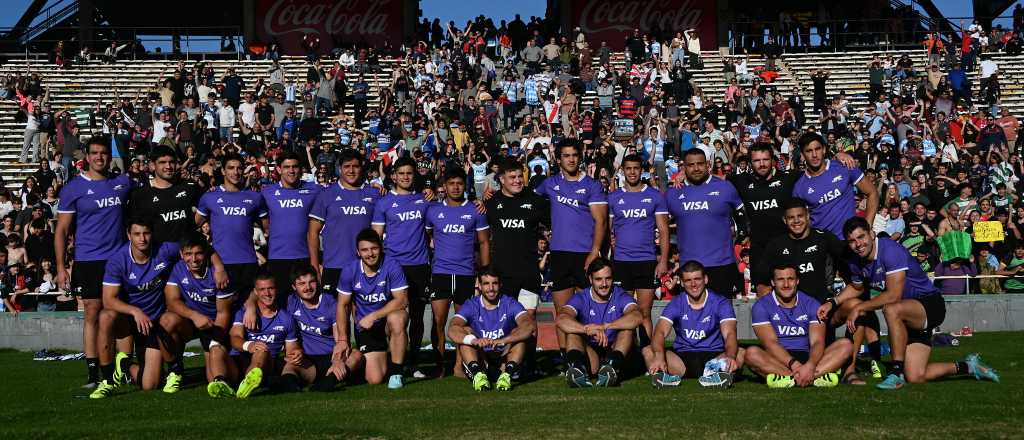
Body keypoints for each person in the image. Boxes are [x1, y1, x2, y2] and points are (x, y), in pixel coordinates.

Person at [818, 217, 1000, 390]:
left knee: (891, 309)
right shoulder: (856, 261)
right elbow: (856, 288)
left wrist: (859, 307)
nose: (858, 244)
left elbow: (893, 295)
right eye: (852, 241)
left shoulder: (890, 249)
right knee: (916, 375)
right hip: (906, 314)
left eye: (861, 237)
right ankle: (968, 367)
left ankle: (896, 373)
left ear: (872, 234)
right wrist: (832, 302)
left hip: (929, 304)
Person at [55, 136, 132, 388]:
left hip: (119, 259)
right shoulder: (73, 189)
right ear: (86, 157)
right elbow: (62, 231)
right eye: (95, 153)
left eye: (103, 153)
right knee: (92, 314)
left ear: (109, 157)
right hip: (88, 260)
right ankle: (93, 372)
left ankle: (123, 369)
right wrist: (61, 267)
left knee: (119, 314)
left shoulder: (123, 184)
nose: (99, 157)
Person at [89, 218, 184, 398]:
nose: (142, 239)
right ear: (128, 235)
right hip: (129, 322)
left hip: (155, 323)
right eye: (137, 234)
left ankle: (124, 366)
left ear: (152, 234)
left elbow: (197, 248)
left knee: (150, 385)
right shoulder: (118, 260)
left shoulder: (166, 250)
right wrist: (135, 311)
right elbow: (108, 300)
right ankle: (107, 381)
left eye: (146, 233)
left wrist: (218, 267)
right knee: (105, 316)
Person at [535, 142, 607, 354]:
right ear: (558, 159)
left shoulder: (592, 185)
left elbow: (601, 222)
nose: (571, 159)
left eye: (575, 155)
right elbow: (526, 200)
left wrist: (594, 252)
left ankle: (594, 354)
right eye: (566, 155)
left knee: (590, 310)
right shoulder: (549, 184)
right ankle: (568, 359)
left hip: (586, 254)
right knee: (562, 312)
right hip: (560, 254)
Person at [371, 157, 433, 376]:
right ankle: (394, 359)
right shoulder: (383, 203)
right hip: (393, 267)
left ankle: (413, 363)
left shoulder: (424, 200)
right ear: (393, 176)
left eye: (410, 173)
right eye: (402, 173)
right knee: (393, 318)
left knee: (416, 317)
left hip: (419, 266)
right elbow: (376, 236)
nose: (406, 177)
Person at [425, 167, 490, 375]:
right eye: (451, 183)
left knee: (462, 322)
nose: (455, 187)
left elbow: (483, 243)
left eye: (459, 183)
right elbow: (425, 239)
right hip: (441, 273)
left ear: (465, 186)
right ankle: (440, 365)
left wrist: (484, 273)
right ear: (444, 186)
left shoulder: (475, 210)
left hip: (466, 274)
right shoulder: (433, 210)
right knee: (439, 322)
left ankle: (459, 366)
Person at [745, 265, 852, 388]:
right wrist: (795, 365)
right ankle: (814, 378)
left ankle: (788, 379)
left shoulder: (812, 303)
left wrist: (810, 365)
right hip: (779, 359)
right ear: (773, 282)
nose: (786, 284)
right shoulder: (761, 306)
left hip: (809, 357)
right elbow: (770, 344)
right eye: (780, 279)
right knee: (751, 354)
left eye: (790, 279)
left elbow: (817, 342)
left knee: (846, 345)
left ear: (797, 281)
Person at [644, 261, 743, 388]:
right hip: (682, 358)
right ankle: (665, 377)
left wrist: (729, 356)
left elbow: (730, 334)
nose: (693, 284)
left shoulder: (720, 302)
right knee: (648, 351)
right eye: (688, 280)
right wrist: (659, 357)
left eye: (697, 279)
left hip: (714, 356)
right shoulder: (677, 302)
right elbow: (660, 332)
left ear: (705, 279)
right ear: (682, 282)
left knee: (740, 353)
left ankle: (718, 376)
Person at [163, 233, 236, 398]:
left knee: (213, 379)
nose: (194, 259)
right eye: (188, 254)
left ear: (206, 253)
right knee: (167, 320)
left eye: (198, 253)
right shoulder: (178, 268)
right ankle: (175, 371)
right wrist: (194, 316)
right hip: (193, 323)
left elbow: (224, 313)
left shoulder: (219, 275)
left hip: (216, 325)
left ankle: (231, 373)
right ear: (182, 254)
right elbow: (172, 302)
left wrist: (214, 343)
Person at [335, 228, 409, 388]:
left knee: (397, 318)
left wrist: (374, 316)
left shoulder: (392, 265)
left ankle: (397, 373)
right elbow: (342, 305)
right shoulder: (350, 270)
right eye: (365, 250)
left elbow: (402, 300)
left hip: (386, 322)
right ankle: (382, 358)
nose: (370, 254)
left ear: (381, 247)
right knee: (374, 379)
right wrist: (342, 339)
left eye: (374, 248)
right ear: (358, 252)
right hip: (367, 329)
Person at [608, 154, 670, 344]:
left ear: (641, 170)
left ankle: (647, 354)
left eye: (636, 168)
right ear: (622, 171)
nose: (632, 172)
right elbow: (606, 231)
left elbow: (664, 231)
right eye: (628, 168)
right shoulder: (613, 197)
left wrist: (663, 260)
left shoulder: (654, 196)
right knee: (624, 312)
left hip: (646, 261)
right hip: (621, 262)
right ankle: (626, 353)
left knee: (644, 312)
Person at [666, 148, 745, 298]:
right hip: (689, 267)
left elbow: (743, 218)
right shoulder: (673, 193)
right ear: (684, 168)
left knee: (723, 315)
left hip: (722, 265)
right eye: (691, 165)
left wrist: (738, 240)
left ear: (708, 165)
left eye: (700, 164)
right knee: (692, 316)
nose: (696, 168)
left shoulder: (725, 187)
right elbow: (661, 225)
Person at [447, 267, 536, 391]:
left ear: (500, 285)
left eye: (494, 283)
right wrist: (474, 341)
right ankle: (478, 375)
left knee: (518, 333)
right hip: (482, 358)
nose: (491, 288)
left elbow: (528, 326)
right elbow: (452, 328)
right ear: (479, 285)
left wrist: (504, 340)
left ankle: (506, 376)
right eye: (486, 284)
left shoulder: (510, 303)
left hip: (505, 357)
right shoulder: (471, 304)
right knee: (466, 331)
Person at [556, 257, 640, 388]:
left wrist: (606, 326)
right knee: (573, 333)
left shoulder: (620, 295)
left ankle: (610, 368)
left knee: (627, 329)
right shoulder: (581, 297)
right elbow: (561, 319)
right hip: (591, 352)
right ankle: (577, 370)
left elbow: (637, 316)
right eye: (598, 279)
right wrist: (586, 329)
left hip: (616, 349)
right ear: (590, 279)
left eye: (608, 278)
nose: (604, 284)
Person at [308, 149, 381, 295]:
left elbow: (379, 231)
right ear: (340, 169)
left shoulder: (374, 194)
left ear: (362, 168)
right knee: (335, 316)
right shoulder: (326, 194)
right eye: (347, 166)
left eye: (355, 166)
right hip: (334, 265)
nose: (351, 170)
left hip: (365, 265)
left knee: (365, 316)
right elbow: (312, 233)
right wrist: (315, 267)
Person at [195, 153, 267, 300]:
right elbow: (194, 228)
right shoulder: (209, 197)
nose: (236, 172)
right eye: (231, 168)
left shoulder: (255, 197)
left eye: (239, 168)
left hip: (248, 263)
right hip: (221, 263)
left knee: (249, 311)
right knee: (224, 309)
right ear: (223, 171)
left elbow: (268, 229)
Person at [793, 132, 879, 239]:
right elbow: (801, 221)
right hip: (822, 246)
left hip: (850, 241)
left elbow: (872, 192)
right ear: (802, 155)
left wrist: (867, 226)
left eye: (818, 149)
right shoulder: (799, 187)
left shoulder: (845, 166)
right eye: (809, 151)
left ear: (824, 149)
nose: (814, 155)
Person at [229, 273, 301, 399]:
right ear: (255, 292)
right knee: (215, 350)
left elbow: (291, 351)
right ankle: (222, 381)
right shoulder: (243, 312)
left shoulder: (287, 318)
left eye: (270, 288)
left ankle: (247, 384)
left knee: (262, 351)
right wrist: (249, 345)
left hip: (268, 363)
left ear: (276, 289)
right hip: (242, 358)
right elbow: (234, 338)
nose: (267, 293)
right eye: (262, 289)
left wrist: (297, 353)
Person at [261, 151, 321, 291]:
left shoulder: (314, 189)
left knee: (307, 301)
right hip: (278, 257)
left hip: (305, 256)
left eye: (295, 166)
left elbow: (339, 191)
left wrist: (371, 186)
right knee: (281, 301)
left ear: (300, 169)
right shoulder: (266, 192)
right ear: (279, 169)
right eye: (287, 167)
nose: (291, 170)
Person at [283, 265, 349, 392]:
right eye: (301, 283)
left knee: (356, 356)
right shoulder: (291, 301)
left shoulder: (330, 303)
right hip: (308, 360)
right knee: (290, 366)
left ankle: (330, 381)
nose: (307, 287)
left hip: (331, 356)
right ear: (293, 287)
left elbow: (339, 338)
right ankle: (289, 385)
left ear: (317, 282)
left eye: (311, 282)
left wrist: (337, 360)